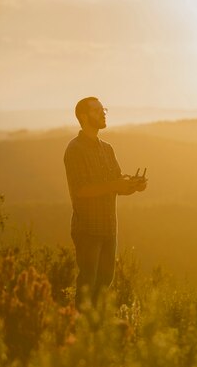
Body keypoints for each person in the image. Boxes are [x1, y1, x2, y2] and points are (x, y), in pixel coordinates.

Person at [63, 97, 147, 308]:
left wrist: (134, 186)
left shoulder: (107, 149)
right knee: (87, 285)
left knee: (104, 284)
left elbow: (116, 185)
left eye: (103, 109)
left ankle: (97, 330)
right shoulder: (75, 150)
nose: (103, 113)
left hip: (109, 229)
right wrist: (114, 185)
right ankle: (82, 330)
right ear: (84, 116)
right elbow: (81, 190)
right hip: (88, 229)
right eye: (97, 110)